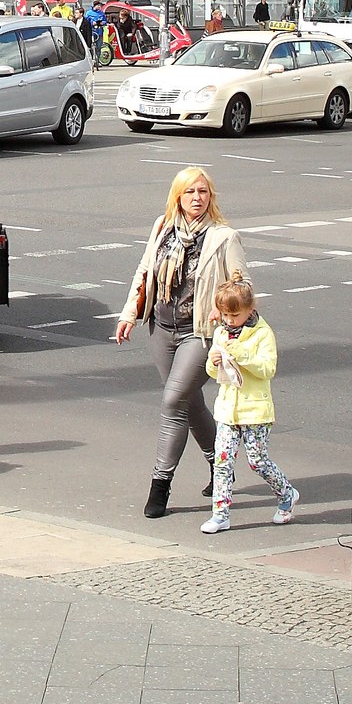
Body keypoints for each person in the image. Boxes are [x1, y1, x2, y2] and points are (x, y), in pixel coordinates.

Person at [116, 166, 250, 519]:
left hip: (199, 334)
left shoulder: (224, 237)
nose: (197, 198)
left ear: (211, 197)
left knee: (173, 400)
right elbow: (145, 272)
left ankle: (160, 486)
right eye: (190, 192)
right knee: (188, 403)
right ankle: (219, 464)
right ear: (178, 196)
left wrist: (223, 312)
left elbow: (243, 287)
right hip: (161, 327)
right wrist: (129, 314)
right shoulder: (163, 227)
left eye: (203, 192)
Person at [198, 276, 298, 533]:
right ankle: (220, 514)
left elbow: (267, 369)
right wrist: (214, 360)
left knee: (258, 461)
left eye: (234, 315)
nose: (229, 320)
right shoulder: (221, 332)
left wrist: (241, 354)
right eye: (225, 315)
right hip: (227, 409)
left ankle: (287, 493)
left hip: (255, 410)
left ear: (250, 310)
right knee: (222, 461)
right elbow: (213, 372)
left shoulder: (262, 333)